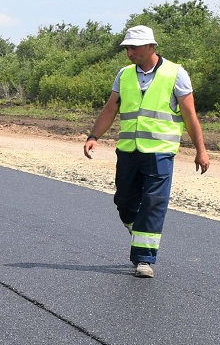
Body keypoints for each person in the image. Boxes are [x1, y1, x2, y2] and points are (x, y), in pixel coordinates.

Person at [83, 24, 211, 278]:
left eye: (134, 47)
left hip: (160, 152)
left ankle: (144, 259)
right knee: (124, 202)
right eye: (127, 48)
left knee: (154, 202)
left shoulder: (176, 74)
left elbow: (189, 114)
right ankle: (141, 232)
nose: (130, 53)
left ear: (151, 46)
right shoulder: (124, 74)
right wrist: (94, 135)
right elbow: (111, 108)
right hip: (129, 150)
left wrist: (201, 150)